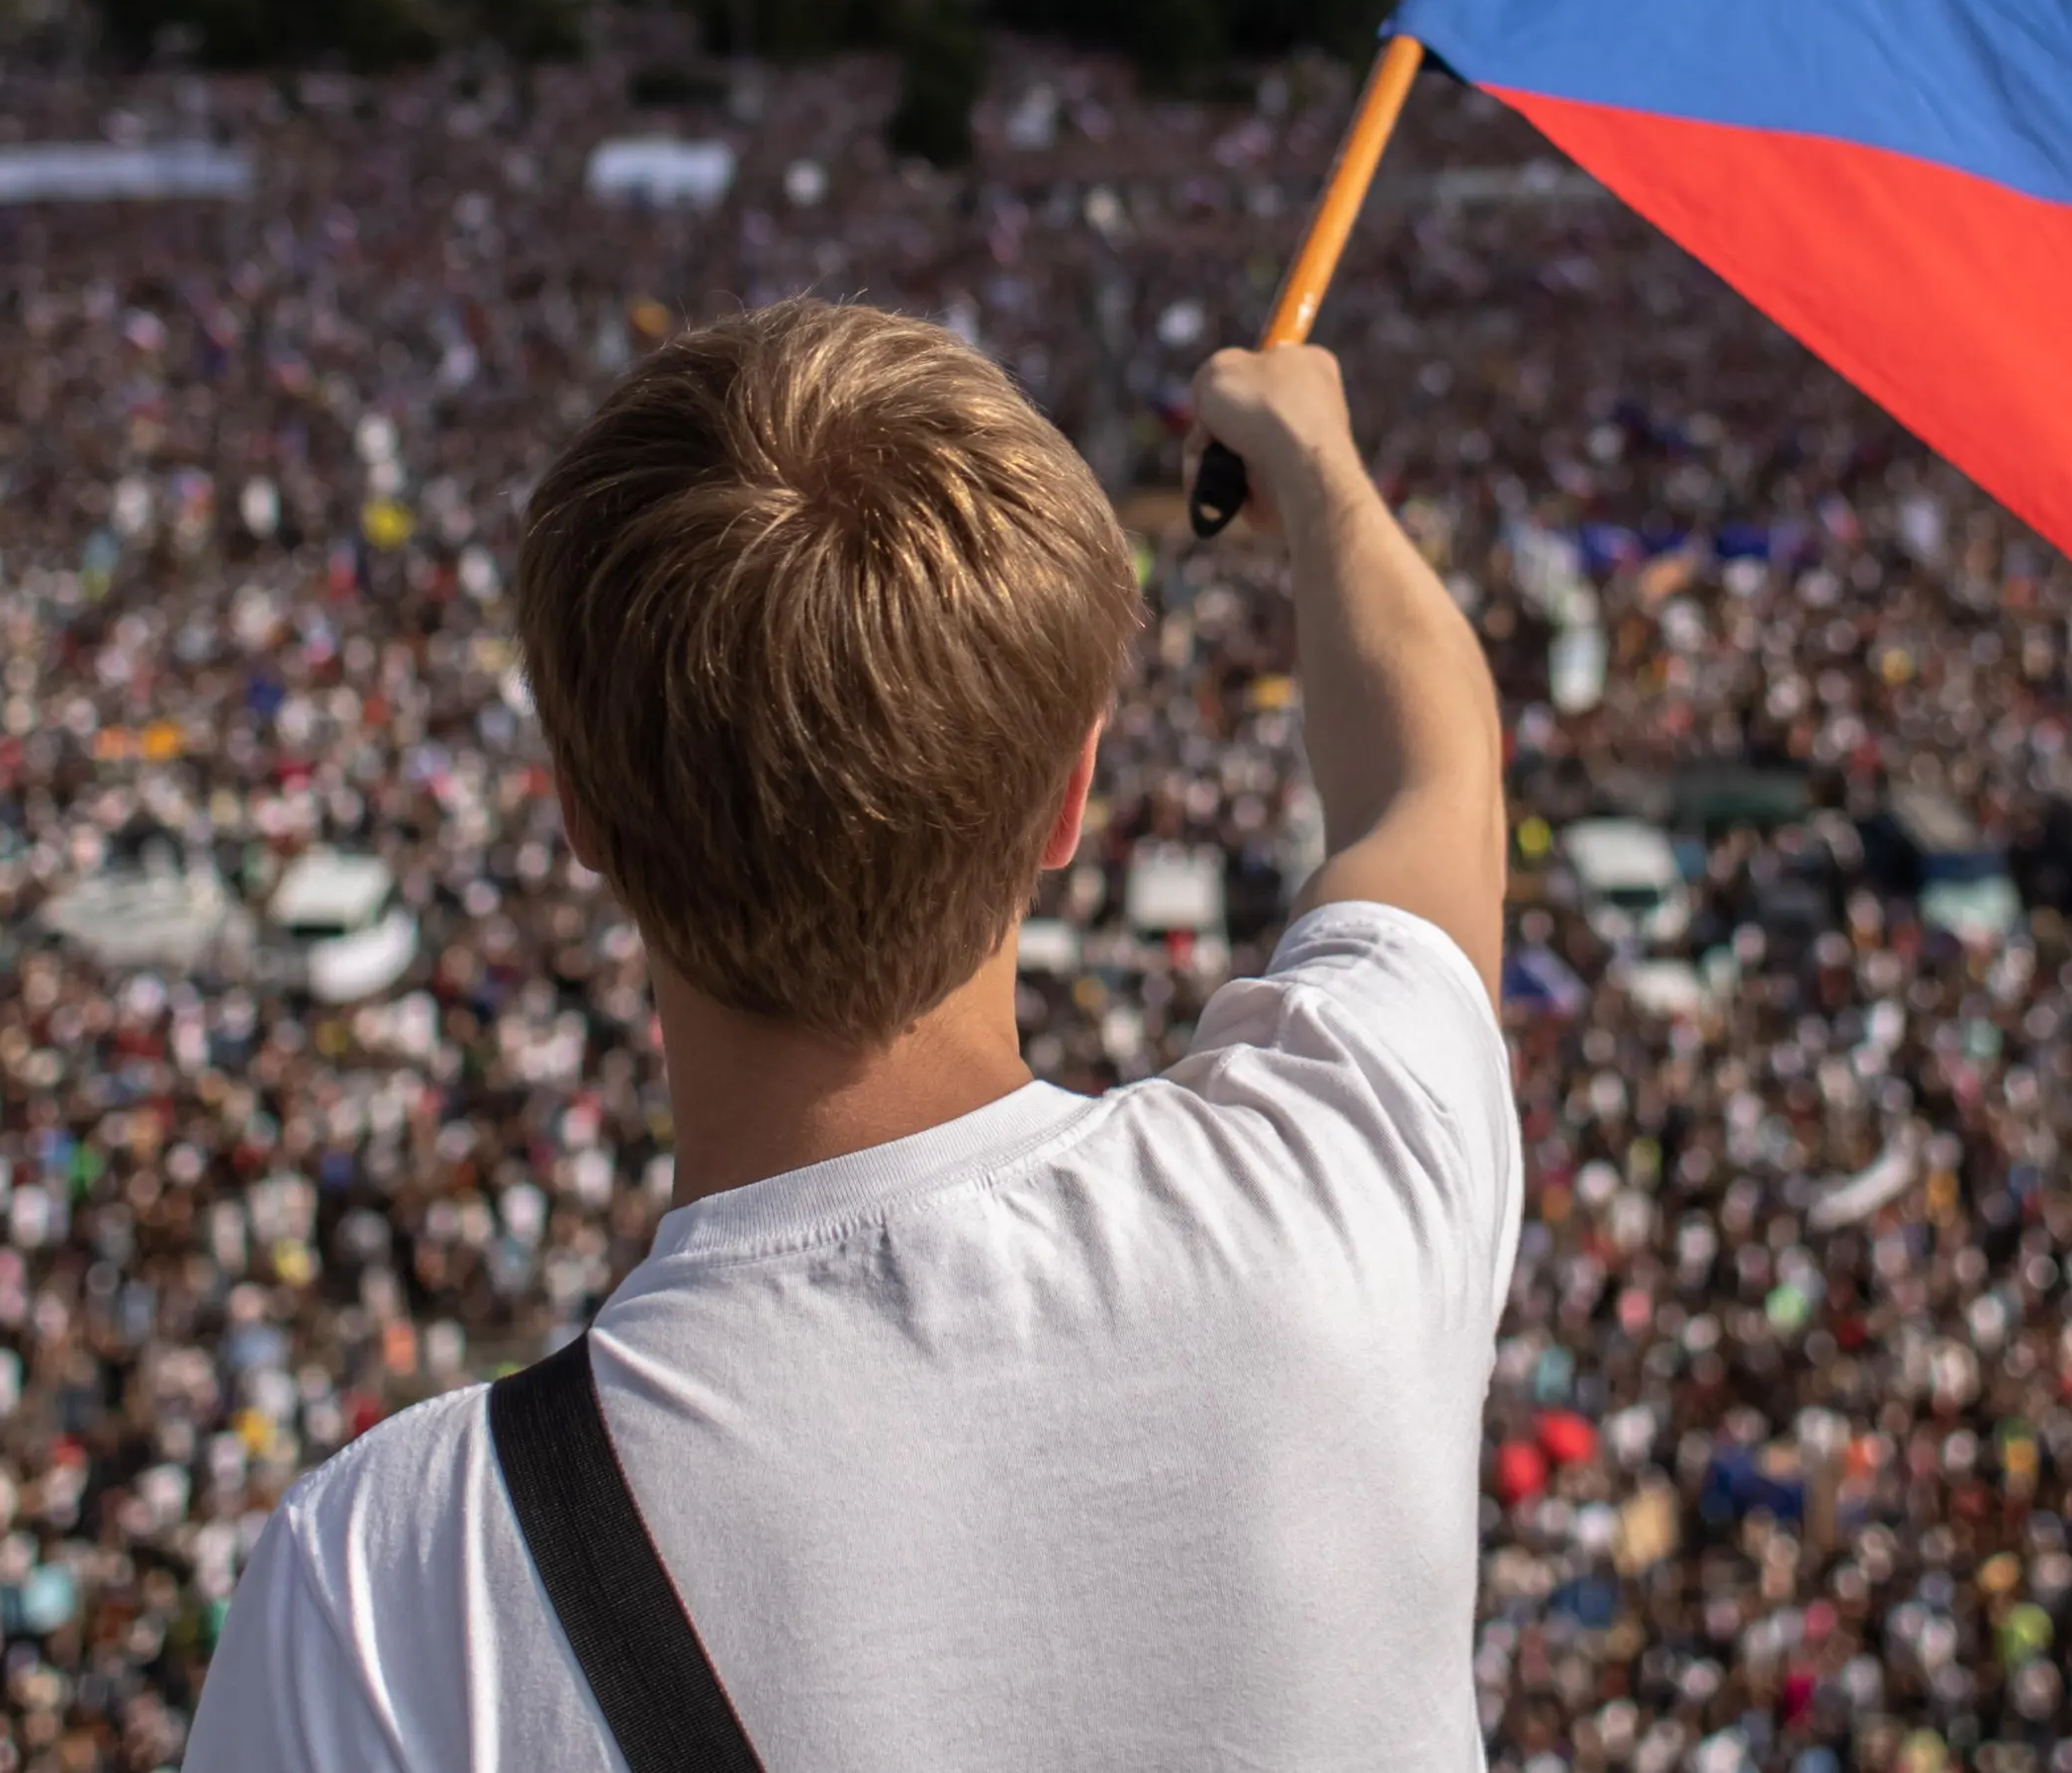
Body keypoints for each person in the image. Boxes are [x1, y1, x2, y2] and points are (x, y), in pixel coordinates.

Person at [179, 300, 1516, 1772]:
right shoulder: (1344, 1201)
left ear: (578, 814)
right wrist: (1317, 464)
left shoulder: (392, 1582)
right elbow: (1430, 777)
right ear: (1071, 796)